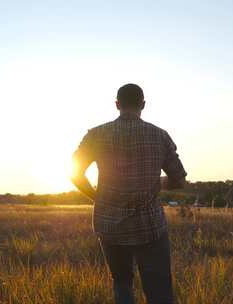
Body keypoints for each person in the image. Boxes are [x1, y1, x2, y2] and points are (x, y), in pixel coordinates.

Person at [71, 83, 187, 304]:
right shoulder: (159, 136)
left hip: (110, 225)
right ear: (143, 105)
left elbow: (75, 174)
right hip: (150, 226)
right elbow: (179, 180)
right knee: (159, 290)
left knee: (122, 283)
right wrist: (156, 183)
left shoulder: (95, 135)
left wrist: (97, 198)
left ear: (117, 105)